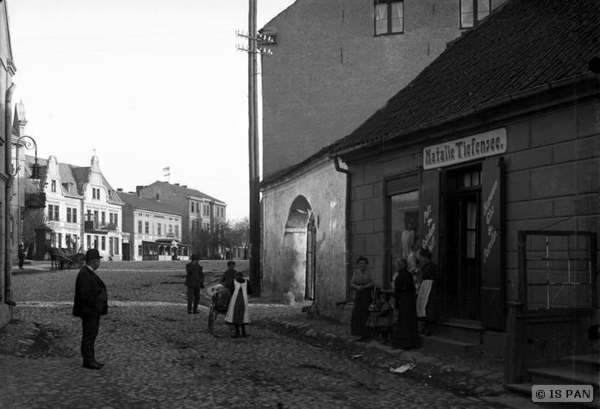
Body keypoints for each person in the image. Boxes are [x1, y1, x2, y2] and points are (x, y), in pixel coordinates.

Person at [72, 249, 107, 370]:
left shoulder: (87, 272)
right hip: (89, 311)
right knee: (89, 336)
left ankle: (91, 359)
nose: (99, 264)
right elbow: (85, 295)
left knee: (91, 335)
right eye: (98, 261)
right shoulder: (85, 274)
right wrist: (96, 305)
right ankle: (88, 360)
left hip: (90, 311)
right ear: (95, 261)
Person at [393, 258, 420, 350]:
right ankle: (413, 342)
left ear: (402, 265)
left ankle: (405, 343)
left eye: (397, 265)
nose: (396, 266)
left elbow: (398, 290)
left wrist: (396, 301)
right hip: (409, 300)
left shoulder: (400, 276)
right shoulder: (408, 275)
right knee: (410, 321)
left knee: (404, 321)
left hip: (403, 300)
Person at [416, 247, 441, 336]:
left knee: (428, 306)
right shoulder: (424, 267)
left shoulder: (434, 267)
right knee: (422, 305)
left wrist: (432, 284)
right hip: (424, 287)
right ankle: (425, 325)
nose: (421, 260)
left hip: (430, 287)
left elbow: (437, 278)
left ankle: (429, 327)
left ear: (426, 257)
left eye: (422, 258)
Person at [350, 256, 375, 341]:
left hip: (366, 295)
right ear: (358, 265)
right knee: (358, 313)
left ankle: (367, 334)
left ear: (366, 264)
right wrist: (357, 287)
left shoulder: (369, 272)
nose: (362, 265)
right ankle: (358, 332)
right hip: (358, 295)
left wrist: (364, 287)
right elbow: (352, 283)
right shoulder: (356, 272)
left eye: (364, 263)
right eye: (360, 263)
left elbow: (373, 282)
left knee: (365, 313)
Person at [225, 271, 253, 338]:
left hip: (235, 299)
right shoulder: (246, 281)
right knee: (243, 314)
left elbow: (231, 291)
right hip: (244, 299)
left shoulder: (234, 281)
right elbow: (250, 291)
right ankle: (243, 332)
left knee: (235, 314)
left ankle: (237, 332)